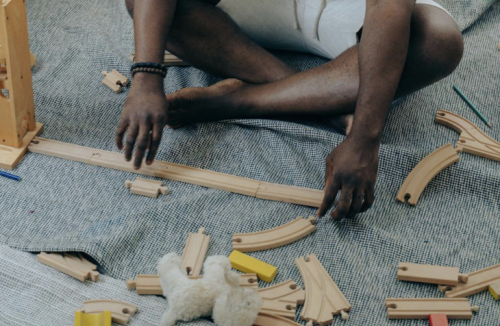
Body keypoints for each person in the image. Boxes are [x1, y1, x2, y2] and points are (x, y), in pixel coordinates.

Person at [117, 0, 463, 220]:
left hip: (346, 10)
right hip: (254, 9)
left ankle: (240, 100)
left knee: (437, 39)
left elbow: (389, 6)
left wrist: (364, 137)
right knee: (150, 8)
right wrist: (147, 76)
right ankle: (315, 103)